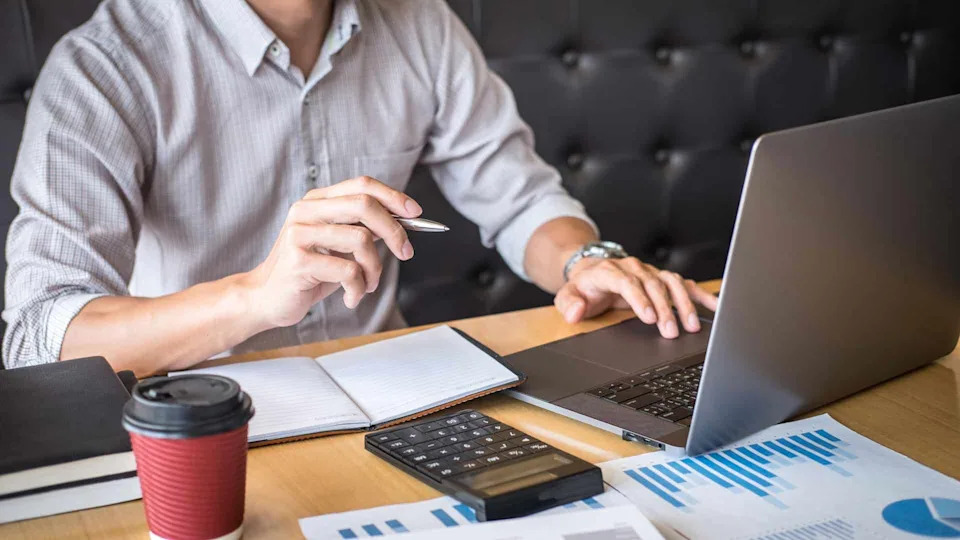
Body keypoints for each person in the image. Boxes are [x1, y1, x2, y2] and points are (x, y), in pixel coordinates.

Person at [2, 0, 717, 374]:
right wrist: (254, 297)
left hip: (394, 393)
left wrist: (583, 262)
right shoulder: (105, 65)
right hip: (199, 418)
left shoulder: (420, 22)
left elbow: (522, 199)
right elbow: (41, 339)